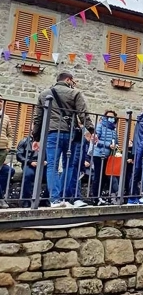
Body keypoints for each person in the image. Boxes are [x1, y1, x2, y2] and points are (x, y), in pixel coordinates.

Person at [32, 72, 93, 208]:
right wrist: (91, 130)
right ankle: (65, 197)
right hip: (70, 133)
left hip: (52, 133)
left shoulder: (44, 94)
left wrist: (36, 138)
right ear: (68, 80)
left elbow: (38, 119)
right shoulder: (74, 93)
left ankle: (55, 200)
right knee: (69, 165)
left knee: (52, 166)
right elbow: (83, 114)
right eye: (72, 81)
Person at [90, 110, 119, 205]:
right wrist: (108, 145)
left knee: (104, 176)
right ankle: (95, 197)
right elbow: (95, 140)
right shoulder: (100, 126)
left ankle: (99, 196)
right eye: (108, 117)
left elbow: (116, 141)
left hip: (108, 156)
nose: (110, 119)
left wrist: (115, 146)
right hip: (98, 154)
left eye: (112, 117)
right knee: (98, 176)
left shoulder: (114, 129)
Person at [0, 95, 14, 209]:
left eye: (0, 101)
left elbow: (10, 134)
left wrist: (8, 147)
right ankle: (1, 199)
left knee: (7, 171)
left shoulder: (6, 117)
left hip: (2, 150)